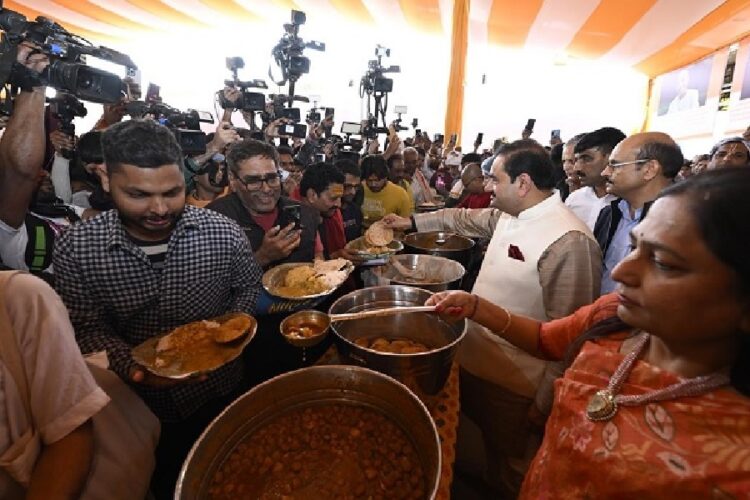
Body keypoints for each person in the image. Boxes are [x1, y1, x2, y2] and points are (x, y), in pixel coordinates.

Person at [428, 168, 750, 497]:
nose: (623, 270)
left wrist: (540, 405)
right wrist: (477, 307)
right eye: (635, 247)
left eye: (664, 263)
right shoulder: (612, 317)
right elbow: (544, 339)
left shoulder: (733, 463)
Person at [52, 119, 262, 499]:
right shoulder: (78, 249)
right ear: (105, 179)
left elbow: (247, 286)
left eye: (172, 192)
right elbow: (86, 329)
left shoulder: (223, 231)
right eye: (139, 195)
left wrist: (228, 332)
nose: (160, 209)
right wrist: (136, 370)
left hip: (223, 390)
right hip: (138, 407)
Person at [383, 139, 601, 497]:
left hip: (516, 387)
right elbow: (461, 218)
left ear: (523, 183)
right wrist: (409, 221)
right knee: (471, 457)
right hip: (475, 361)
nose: (487, 187)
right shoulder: (509, 215)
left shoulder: (569, 240)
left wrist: (545, 402)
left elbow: (572, 337)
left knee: (510, 470)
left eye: (494, 180)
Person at [206, 139, 322, 268]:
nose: (266, 189)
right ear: (233, 180)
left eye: (272, 179)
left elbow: (318, 262)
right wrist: (262, 257)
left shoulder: (306, 213)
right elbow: (208, 284)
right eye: (253, 181)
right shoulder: (212, 221)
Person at [595, 132, 683, 294]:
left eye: (614, 165)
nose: (605, 173)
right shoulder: (609, 213)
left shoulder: (681, 223)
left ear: (649, 169)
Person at [565, 127, 625, 230]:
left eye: (586, 158)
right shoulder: (574, 200)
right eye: (576, 160)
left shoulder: (629, 204)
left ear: (612, 158)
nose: (576, 168)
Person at [299, 163, 359, 261]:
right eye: (333, 198)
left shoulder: (329, 214)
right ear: (312, 195)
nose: (338, 205)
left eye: (340, 198)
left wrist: (336, 256)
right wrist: (334, 257)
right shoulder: (293, 224)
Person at [360, 154, 412, 228]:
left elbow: (406, 225)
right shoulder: (359, 190)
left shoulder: (400, 194)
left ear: (386, 176)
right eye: (369, 180)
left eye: (377, 180)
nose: (373, 184)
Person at [337, 159, 363, 242]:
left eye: (356, 187)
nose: (353, 192)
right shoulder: (324, 212)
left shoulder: (355, 210)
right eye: (348, 186)